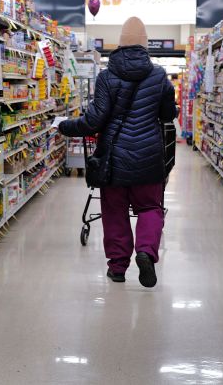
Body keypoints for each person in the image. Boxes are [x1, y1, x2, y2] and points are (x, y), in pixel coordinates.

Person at [58, 17, 177, 287]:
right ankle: (146, 251)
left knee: (114, 212)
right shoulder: (159, 75)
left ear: (119, 45)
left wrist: (65, 126)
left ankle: (118, 267)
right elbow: (169, 114)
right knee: (150, 208)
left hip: (113, 159)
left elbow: (93, 121)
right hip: (149, 158)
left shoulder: (106, 77)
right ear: (146, 46)